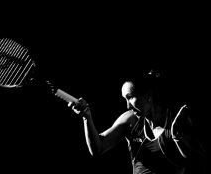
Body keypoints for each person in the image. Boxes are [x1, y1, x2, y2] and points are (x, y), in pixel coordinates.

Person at [69, 69, 206, 174]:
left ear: (148, 95)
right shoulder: (130, 119)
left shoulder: (175, 120)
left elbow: (195, 162)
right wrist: (87, 117)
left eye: (130, 97)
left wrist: (178, 137)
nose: (128, 106)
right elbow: (98, 148)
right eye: (125, 99)